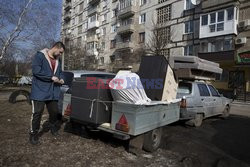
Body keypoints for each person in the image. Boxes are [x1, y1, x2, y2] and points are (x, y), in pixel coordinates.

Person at [29, 42, 65, 145]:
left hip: (53, 91)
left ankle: (53, 128)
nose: (60, 55)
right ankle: (33, 134)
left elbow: (60, 72)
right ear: (55, 48)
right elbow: (36, 71)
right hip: (40, 91)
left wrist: (62, 78)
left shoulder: (58, 60)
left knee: (54, 111)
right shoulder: (39, 56)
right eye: (60, 52)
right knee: (37, 113)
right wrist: (50, 77)